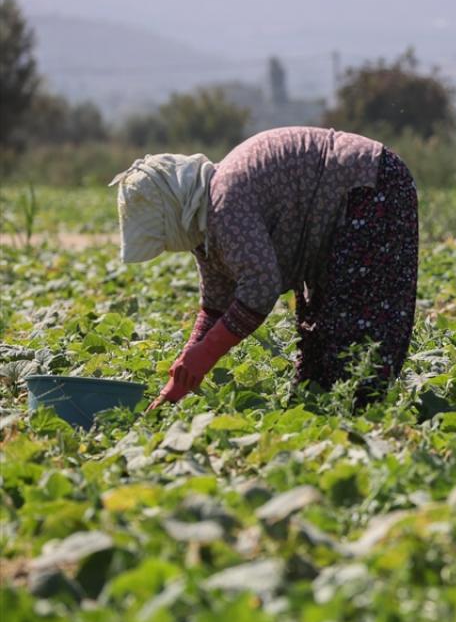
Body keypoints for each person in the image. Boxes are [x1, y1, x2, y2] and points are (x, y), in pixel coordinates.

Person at [110, 126, 419, 409]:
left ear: (172, 210)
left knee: (354, 330)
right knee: (320, 347)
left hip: (370, 185)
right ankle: (333, 415)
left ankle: (362, 418)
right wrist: (181, 377)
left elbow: (260, 287)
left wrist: (205, 354)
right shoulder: (203, 225)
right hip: (346, 202)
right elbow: (217, 303)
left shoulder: (225, 203)